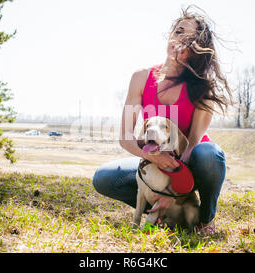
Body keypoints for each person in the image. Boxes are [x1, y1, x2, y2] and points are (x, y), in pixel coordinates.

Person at [92, 5, 232, 235]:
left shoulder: (202, 87)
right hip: (154, 161)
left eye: (189, 39)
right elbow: (126, 137)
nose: (180, 41)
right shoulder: (139, 78)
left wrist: (173, 189)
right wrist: (149, 156)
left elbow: (194, 142)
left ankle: (204, 219)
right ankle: (160, 211)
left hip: (191, 165)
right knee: (104, 178)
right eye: (178, 32)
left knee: (211, 155)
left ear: (197, 50)